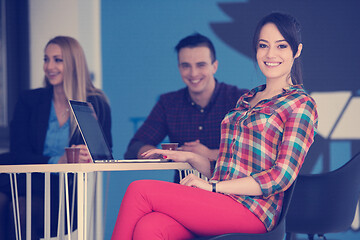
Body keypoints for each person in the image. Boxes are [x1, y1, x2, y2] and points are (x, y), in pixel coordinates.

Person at [111, 12, 318, 239]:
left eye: (281, 46)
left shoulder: (300, 105)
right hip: (222, 201)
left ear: (296, 51)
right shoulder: (248, 98)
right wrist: (191, 159)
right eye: (263, 45)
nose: (270, 54)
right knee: (150, 226)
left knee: (139, 191)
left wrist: (213, 187)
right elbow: (230, 169)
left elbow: (280, 177)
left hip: (253, 211)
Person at [0, 36, 112, 239]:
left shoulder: (95, 102)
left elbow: (105, 154)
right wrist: (56, 161)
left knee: (21, 208)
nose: (49, 66)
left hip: (64, 193)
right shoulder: (30, 100)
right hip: (26, 181)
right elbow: (19, 152)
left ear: (73, 63)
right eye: (46, 59)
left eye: (57, 60)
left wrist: (91, 146)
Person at [124, 33, 248, 163]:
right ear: (179, 68)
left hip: (227, 183)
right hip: (181, 184)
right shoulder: (168, 103)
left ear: (214, 67)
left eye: (201, 65)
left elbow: (256, 155)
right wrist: (162, 155)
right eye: (186, 66)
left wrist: (209, 154)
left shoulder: (240, 99)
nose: (193, 73)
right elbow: (134, 148)